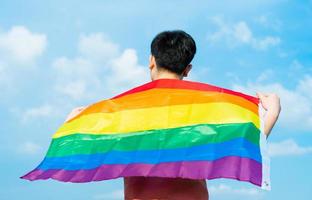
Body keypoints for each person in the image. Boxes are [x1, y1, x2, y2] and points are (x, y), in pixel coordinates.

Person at [65, 30, 281, 200]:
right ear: (187, 69)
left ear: (151, 60)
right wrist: (272, 112)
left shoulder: (124, 112)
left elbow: (80, 156)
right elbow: (239, 147)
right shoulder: (203, 112)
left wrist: (73, 123)